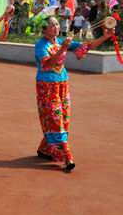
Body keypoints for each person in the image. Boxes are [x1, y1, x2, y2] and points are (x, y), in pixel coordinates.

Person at [33, 16, 114, 171]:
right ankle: (66, 156)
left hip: (63, 84)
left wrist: (105, 36)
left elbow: (85, 46)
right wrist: (63, 48)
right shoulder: (40, 45)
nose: (56, 27)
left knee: (64, 117)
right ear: (44, 29)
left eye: (57, 24)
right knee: (55, 118)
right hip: (46, 86)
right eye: (52, 25)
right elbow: (48, 64)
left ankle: (45, 149)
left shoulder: (60, 41)